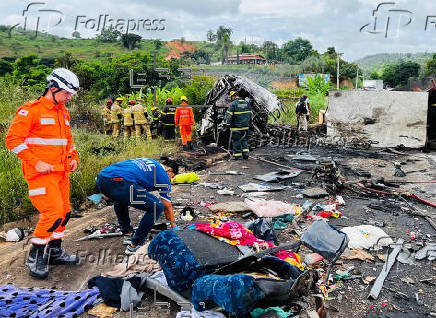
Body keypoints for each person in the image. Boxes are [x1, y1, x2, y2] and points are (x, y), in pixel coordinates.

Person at [6, 68, 81, 279]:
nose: (69, 98)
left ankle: (54, 252)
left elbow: (67, 140)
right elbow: (12, 140)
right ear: (53, 88)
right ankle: (35, 256)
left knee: (65, 212)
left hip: (61, 173)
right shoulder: (31, 111)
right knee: (52, 213)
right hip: (41, 174)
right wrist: (36, 162)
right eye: (66, 93)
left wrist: (73, 157)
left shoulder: (62, 111)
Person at [96, 158, 179, 255]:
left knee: (121, 198)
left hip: (102, 178)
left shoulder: (150, 162)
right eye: (172, 177)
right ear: (169, 170)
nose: (170, 179)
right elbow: (167, 205)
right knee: (157, 207)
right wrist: (174, 227)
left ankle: (128, 233)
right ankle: (135, 245)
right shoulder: (163, 175)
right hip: (121, 182)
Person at [224, 91, 252, 160]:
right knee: (244, 140)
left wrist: (227, 124)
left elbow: (228, 116)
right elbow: (251, 115)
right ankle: (246, 154)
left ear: (233, 96)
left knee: (236, 140)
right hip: (245, 126)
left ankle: (237, 155)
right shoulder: (246, 103)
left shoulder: (233, 104)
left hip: (236, 127)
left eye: (231, 97)